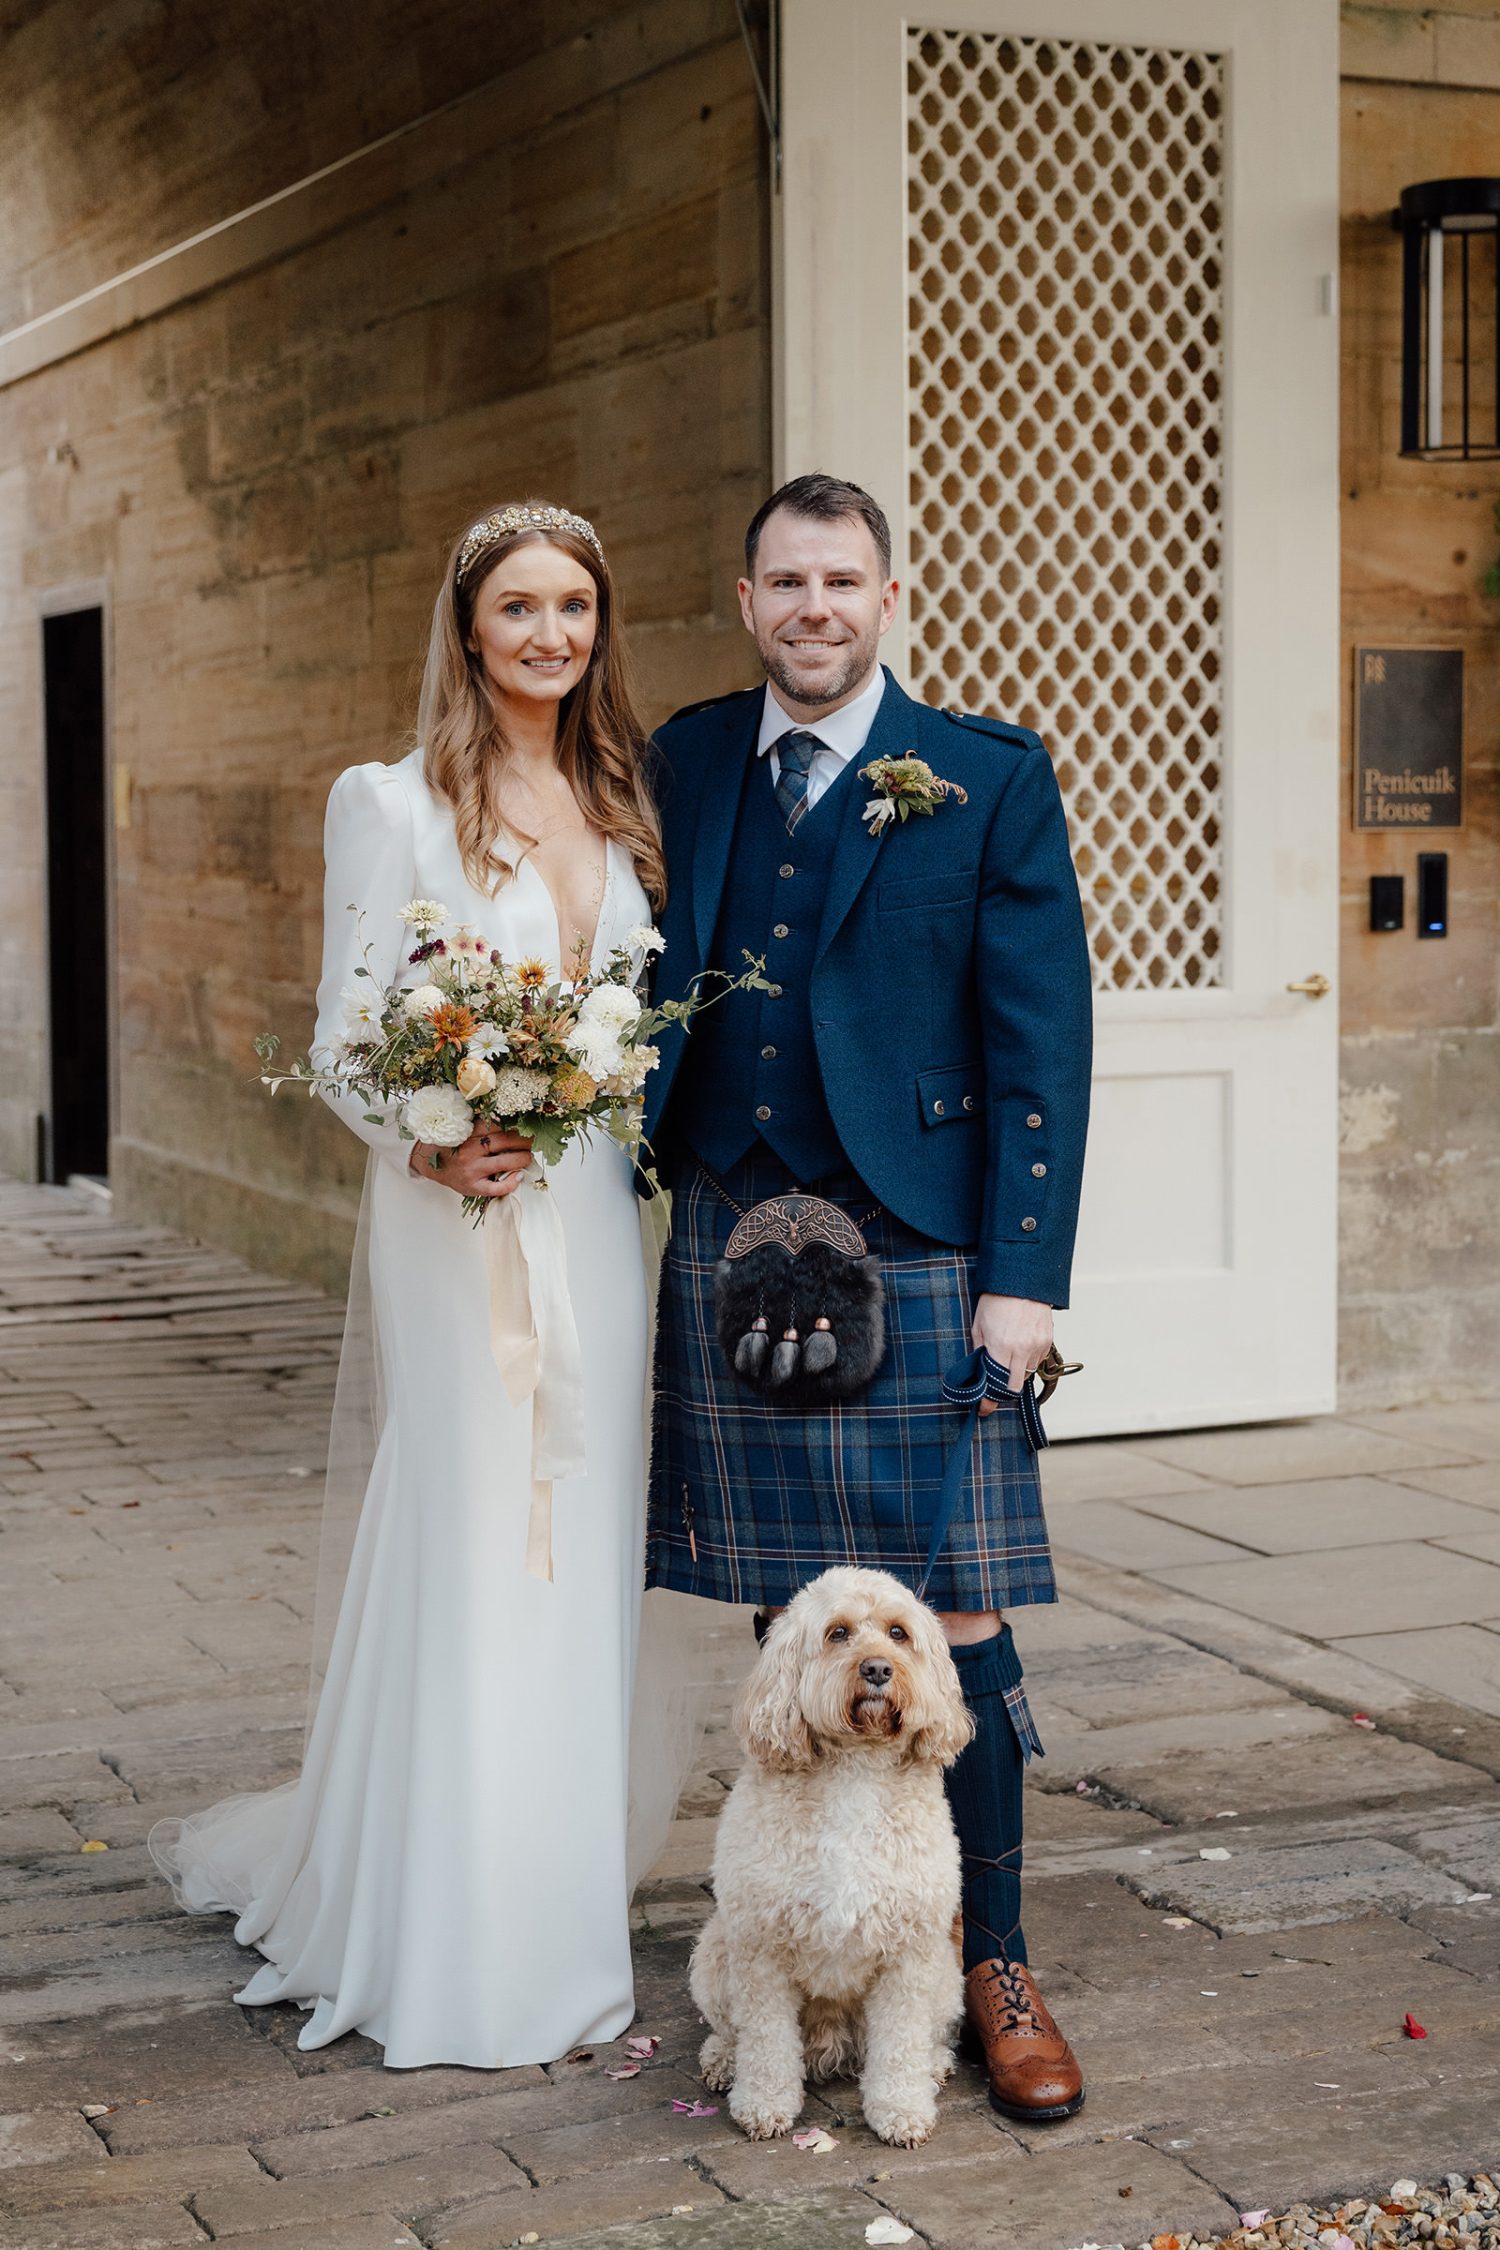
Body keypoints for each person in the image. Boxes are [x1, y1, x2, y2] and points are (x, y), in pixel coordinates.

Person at [151, 501, 672, 2069]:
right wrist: (433, 1142)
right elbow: (340, 1037)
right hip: (456, 1225)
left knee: (582, 1539)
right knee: (473, 1533)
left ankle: (550, 1902)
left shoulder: (619, 795)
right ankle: (449, 1931)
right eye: (520, 606)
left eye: (575, 606)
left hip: (586, 1212)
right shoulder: (390, 803)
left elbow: (633, 1019)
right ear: (467, 627)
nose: (551, 634)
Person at [642, 473, 1094, 2123]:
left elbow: (1043, 1040)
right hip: (733, 1227)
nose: (813, 607)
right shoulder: (688, 756)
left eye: (842, 579)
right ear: (747, 596)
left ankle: (993, 1954)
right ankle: (821, 1928)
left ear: (886, 598)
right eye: (784, 580)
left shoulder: (985, 773)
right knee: (798, 1622)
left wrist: (1022, 1282)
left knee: (954, 1609)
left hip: (922, 1245)